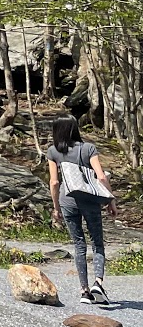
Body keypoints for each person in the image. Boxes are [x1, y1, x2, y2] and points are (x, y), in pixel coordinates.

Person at [46, 115, 119, 305]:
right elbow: (101, 177)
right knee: (97, 243)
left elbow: (54, 182)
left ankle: (84, 291)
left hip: (67, 200)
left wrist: (56, 208)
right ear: (75, 129)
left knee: (79, 245)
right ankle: (98, 283)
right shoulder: (88, 149)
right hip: (90, 200)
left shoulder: (53, 151)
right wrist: (111, 201)